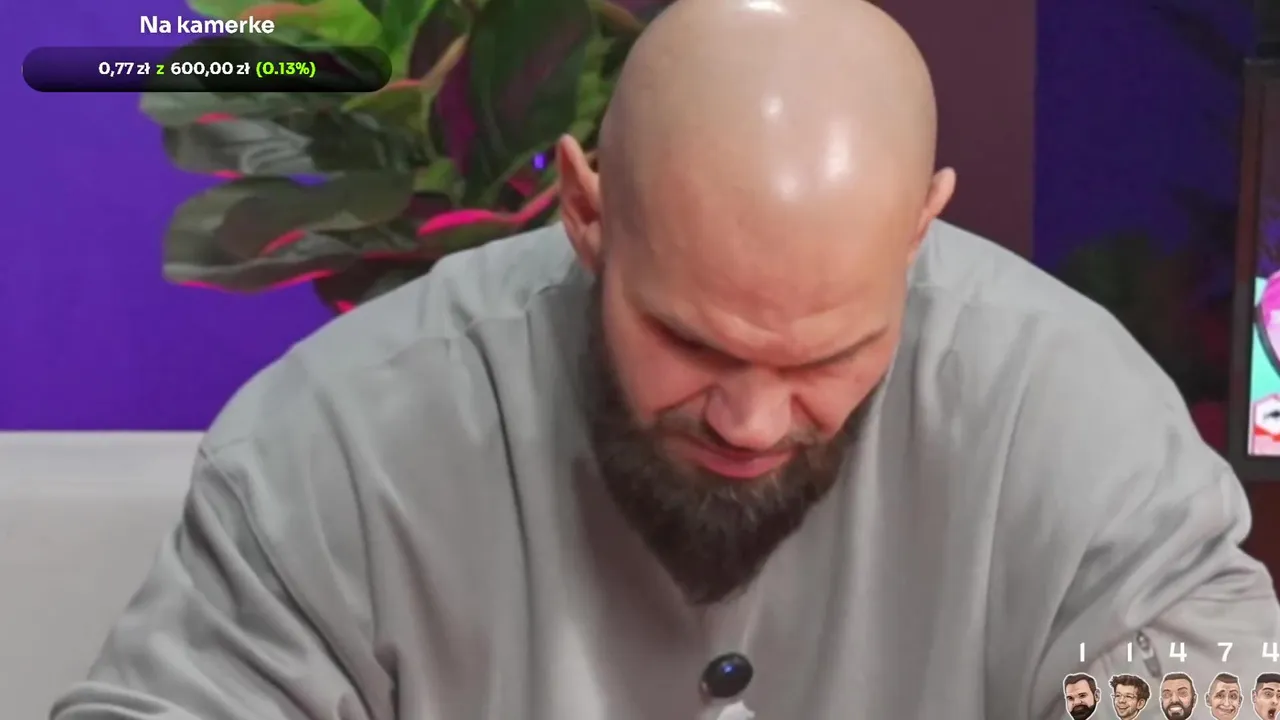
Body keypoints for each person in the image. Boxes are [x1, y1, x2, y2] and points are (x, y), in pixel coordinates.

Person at [48, 0, 1280, 717]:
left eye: (828, 356)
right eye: (689, 339)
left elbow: (1204, 671)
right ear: (587, 212)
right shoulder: (340, 446)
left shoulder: (1073, 419)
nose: (751, 420)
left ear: (918, 229)